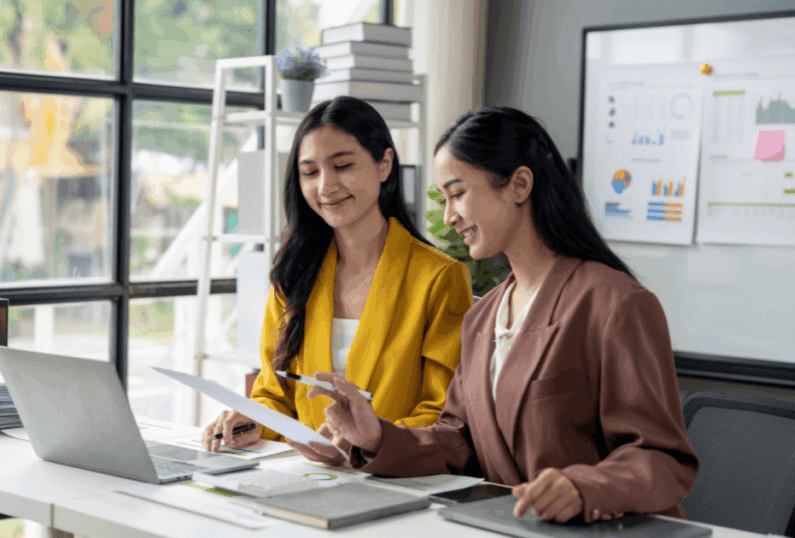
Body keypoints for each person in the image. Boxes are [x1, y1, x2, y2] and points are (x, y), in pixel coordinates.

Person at [287, 106, 699, 524]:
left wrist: (584, 487)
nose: (449, 217)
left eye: (458, 193)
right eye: (444, 200)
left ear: (519, 184)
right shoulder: (483, 316)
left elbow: (662, 458)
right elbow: (457, 441)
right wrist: (374, 435)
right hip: (511, 528)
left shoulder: (616, 303)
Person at [203, 96, 473, 453]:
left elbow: (441, 412)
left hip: (393, 479)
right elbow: (274, 394)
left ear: (384, 165)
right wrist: (252, 422)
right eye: (310, 172)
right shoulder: (294, 274)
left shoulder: (439, 278)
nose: (325, 186)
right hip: (302, 475)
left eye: (343, 165)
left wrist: (366, 442)